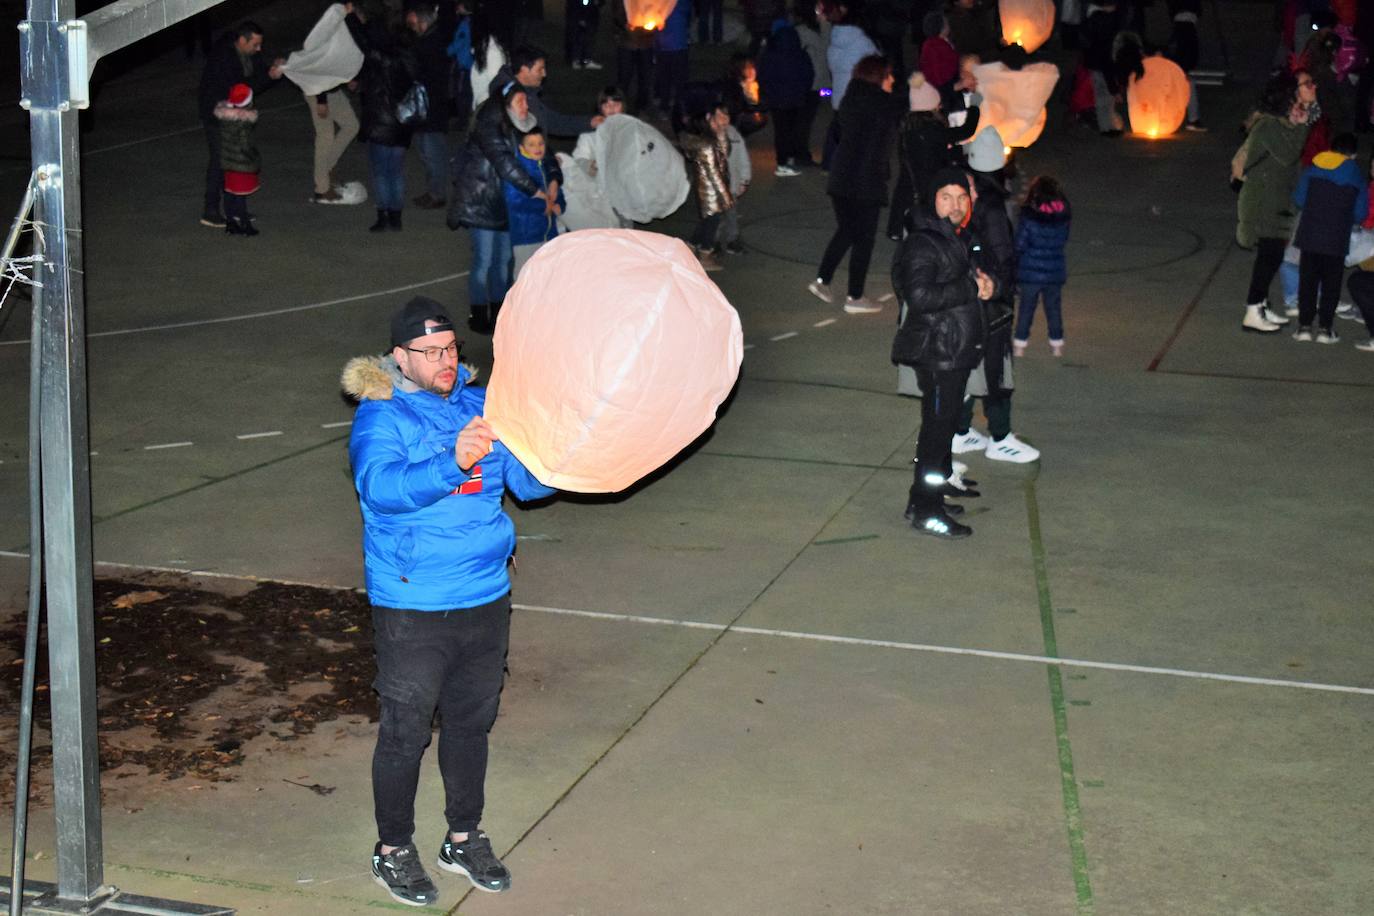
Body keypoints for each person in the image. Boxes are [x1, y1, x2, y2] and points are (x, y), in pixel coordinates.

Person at [342, 297, 556, 908]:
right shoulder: (381, 416)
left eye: (451, 349)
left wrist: (564, 450)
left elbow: (528, 484)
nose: (443, 360)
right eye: (429, 352)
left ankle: (462, 837)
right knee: (406, 732)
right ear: (400, 357)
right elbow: (380, 490)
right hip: (414, 602)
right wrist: (451, 459)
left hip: (486, 594)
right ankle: (392, 850)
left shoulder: (480, 403)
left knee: (470, 722)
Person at [891, 167, 995, 539]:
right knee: (937, 434)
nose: (955, 204)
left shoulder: (952, 236)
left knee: (939, 430)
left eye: (961, 197)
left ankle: (923, 498)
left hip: (952, 350)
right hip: (939, 354)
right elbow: (919, 297)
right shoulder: (924, 242)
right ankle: (927, 510)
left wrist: (981, 284)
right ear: (933, 200)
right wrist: (969, 288)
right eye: (946, 197)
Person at [954, 131, 1040, 465]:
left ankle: (960, 430)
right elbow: (1003, 256)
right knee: (996, 369)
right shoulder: (993, 206)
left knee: (966, 367)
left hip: (965, 300)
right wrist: (1004, 290)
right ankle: (1001, 437)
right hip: (991, 304)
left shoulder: (963, 196)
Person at [450, 81, 562, 333]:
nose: (526, 105)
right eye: (520, 101)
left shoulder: (525, 125)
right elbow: (506, 164)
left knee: (503, 261)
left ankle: (499, 313)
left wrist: (554, 177)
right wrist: (537, 192)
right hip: (482, 201)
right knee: (484, 260)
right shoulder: (490, 128)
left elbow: (545, 153)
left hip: (505, 203)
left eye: (526, 100)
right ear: (505, 105)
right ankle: (478, 314)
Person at [808, 54, 906, 313]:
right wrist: (915, 86)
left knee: (847, 230)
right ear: (879, 76)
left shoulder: (850, 98)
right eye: (889, 75)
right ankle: (855, 296)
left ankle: (822, 279)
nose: (893, 80)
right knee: (863, 238)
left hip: (842, 177)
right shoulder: (882, 103)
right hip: (865, 181)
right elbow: (902, 106)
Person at [1236, 71, 1314, 332]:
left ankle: (1262, 306)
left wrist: (1300, 122)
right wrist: (1302, 125)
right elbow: (1288, 155)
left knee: (1271, 255)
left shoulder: (1277, 123)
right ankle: (1253, 309)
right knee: (1269, 256)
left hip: (1274, 198)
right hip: (1264, 201)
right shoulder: (1268, 125)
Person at [197, 21, 284, 228]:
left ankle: (234, 210)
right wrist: (270, 77)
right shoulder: (224, 57)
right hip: (216, 114)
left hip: (233, 115)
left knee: (236, 161)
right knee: (220, 160)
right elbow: (242, 89)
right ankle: (210, 210)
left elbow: (259, 70)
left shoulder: (245, 51)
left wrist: (273, 69)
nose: (259, 48)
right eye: (255, 44)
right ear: (242, 40)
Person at [282, 2, 364, 204]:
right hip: (317, 90)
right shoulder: (333, 27)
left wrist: (348, 78)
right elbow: (322, 66)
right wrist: (321, 100)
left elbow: (339, 60)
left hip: (331, 88)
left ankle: (327, 167)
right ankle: (322, 187)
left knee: (351, 125)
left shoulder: (345, 31)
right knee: (325, 136)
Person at [347, 2, 418, 232]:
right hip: (402, 121)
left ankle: (383, 215)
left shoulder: (380, 58)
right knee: (395, 171)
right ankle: (396, 217)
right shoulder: (409, 56)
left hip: (380, 120)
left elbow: (364, 42)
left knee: (380, 172)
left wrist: (351, 18)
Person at [1291, 131, 1367, 343]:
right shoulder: (1355, 176)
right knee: (1331, 285)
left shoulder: (1313, 168)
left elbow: (1299, 199)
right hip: (1336, 238)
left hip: (1310, 235)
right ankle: (1325, 328)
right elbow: (1360, 214)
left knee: (1307, 282)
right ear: (1353, 154)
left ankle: (1304, 327)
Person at [887, 71, 979, 239]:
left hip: (910, 186)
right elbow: (966, 130)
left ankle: (899, 230)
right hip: (927, 189)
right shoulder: (933, 129)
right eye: (937, 105)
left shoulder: (908, 127)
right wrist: (975, 107)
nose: (940, 107)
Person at [406, 0, 459, 209]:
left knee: (432, 153)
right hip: (432, 108)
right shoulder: (432, 40)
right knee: (430, 151)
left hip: (431, 109)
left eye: (414, 22)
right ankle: (434, 191)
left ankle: (437, 194)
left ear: (422, 21)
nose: (411, 26)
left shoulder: (430, 43)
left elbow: (425, 75)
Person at [1013, 174, 1073, 356]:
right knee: (1053, 308)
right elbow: (1064, 239)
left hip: (1030, 271)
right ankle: (1056, 344)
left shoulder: (1029, 216)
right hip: (1054, 269)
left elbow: (1020, 244)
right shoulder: (1063, 215)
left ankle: (1020, 344)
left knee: (1026, 308)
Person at [495, 44, 602, 137]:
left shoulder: (526, 92)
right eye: (540, 69)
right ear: (524, 70)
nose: (544, 74)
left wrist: (589, 122)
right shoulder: (509, 97)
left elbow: (551, 121)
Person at [679, 102, 735, 272]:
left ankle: (690, 247)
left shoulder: (711, 138)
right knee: (712, 223)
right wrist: (726, 197)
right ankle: (705, 255)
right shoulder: (706, 145)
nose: (725, 120)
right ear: (710, 118)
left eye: (727, 116)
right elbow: (714, 173)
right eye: (721, 116)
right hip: (710, 191)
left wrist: (722, 135)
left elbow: (725, 155)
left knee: (707, 220)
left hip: (711, 189)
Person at [758, 14, 815, 176]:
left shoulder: (769, 54)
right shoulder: (801, 53)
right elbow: (809, 75)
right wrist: (802, 92)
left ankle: (782, 163)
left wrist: (768, 94)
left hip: (777, 101)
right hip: (796, 99)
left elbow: (763, 77)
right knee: (793, 129)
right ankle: (789, 159)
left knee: (781, 131)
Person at [504, 127, 565, 276]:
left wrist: (559, 205)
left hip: (549, 232)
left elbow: (557, 193)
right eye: (531, 144)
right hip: (526, 235)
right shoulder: (518, 170)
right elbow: (514, 201)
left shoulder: (544, 166)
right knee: (525, 276)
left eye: (541, 143)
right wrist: (544, 205)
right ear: (521, 147)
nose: (537, 148)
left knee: (548, 274)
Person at [216, 83, 262, 236]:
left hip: (228, 162)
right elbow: (245, 145)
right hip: (241, 163)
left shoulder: (226, 117)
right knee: (241, 195)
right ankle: (245, 224)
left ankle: (230, 223)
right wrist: (254, 159)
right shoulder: (243, 123)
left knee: (229, 192)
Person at [792, 0, 829, 167]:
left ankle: (799, 152)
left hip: (815, 84)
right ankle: (800, 154)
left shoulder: (812, 30)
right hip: (810, 84)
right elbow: (825, 49)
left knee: (805, 119)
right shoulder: (804, 33)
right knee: (804, 120)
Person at [613, 3, 657, 113]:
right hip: (628, 42)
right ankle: (619, 106)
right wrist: (625, 26)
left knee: (645, 77)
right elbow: (618, 14)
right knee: (624, 77)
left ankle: (641, 106)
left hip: (645, 42)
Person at [654, 0, 692, 116]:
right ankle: (669, 106)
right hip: (668, 44)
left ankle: (674, 108)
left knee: (675, 79)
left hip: (675, 44)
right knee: (668, 79)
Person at [565, 0, 605, 70]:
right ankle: (576, 59)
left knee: (588, 38)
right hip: (581, 14)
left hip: (591, 15)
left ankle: (586, 59)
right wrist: (582, 18)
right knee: (579, 37)